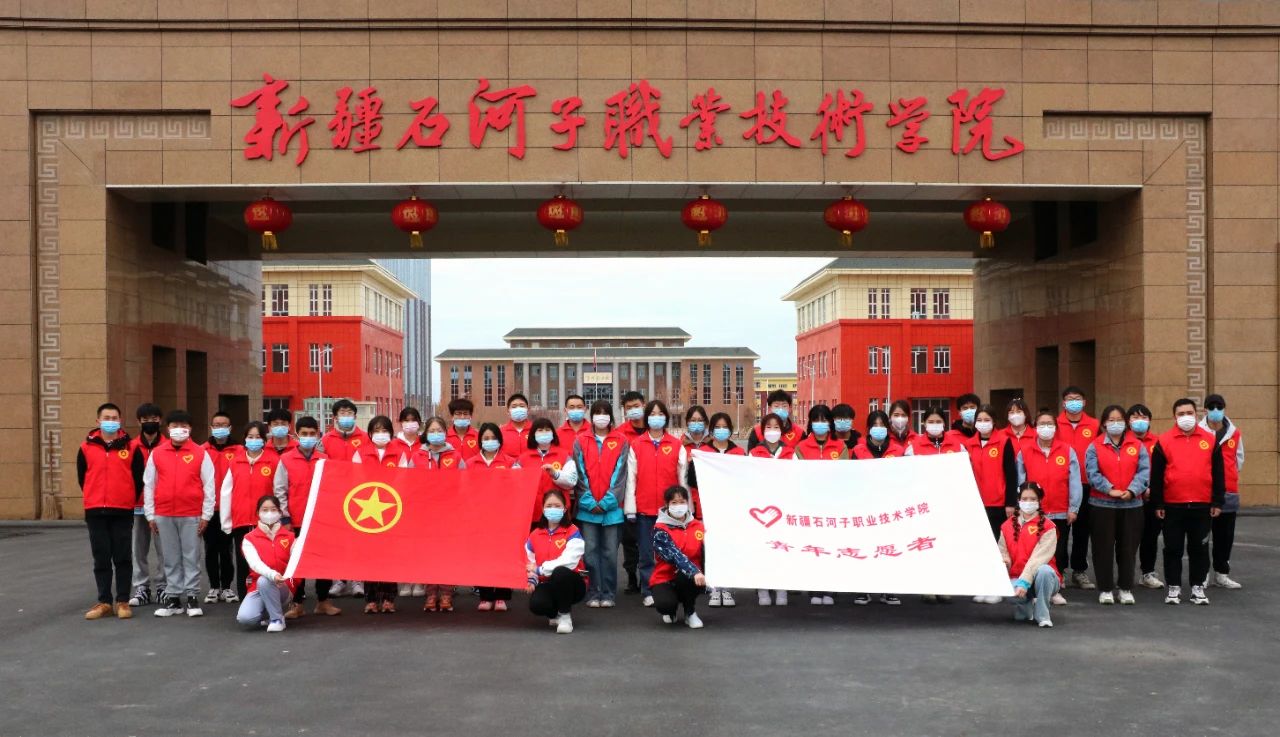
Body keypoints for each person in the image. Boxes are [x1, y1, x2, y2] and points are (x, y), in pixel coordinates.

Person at [1150, 398, 1224, 606]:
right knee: (1172, 548)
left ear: (1196, 414)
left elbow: (1218, 473)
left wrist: (1217, 501)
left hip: (1202, 505)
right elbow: (1157, 476)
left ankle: (1197, 587)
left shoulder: (1210, 440)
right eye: (1181, 414)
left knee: (1199, 548)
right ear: (1174, 417)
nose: (1186, 417)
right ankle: (1173, 587)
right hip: (1173, 505)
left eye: (1189, 413)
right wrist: (1158, 503)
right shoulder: (1164, 441)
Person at [143, 410, 216, 618]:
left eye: (183, 426)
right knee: (170, 557)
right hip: (164, 513)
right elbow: (149, 484)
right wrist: (150, 514)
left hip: (191, 513)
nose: (178, 429)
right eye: (174, 426)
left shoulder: (200, 453)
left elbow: (209, 485)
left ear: (190, 429)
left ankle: (192, 596)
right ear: (167, 428)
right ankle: (173, 598)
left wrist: (206, 515)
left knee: (191, 556)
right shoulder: (157, 453)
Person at [273, 416, 341, 619]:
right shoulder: (286, 460)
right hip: (295, 520)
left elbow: (332, 489)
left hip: (321, 520)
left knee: (323, 561)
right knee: (295, 562)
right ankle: (297, 603)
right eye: (304, 434)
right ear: (297, 434)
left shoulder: (325, 459)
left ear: (318, 435)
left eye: (312, 434)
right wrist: (285, 519)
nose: (308, 437)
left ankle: (323, 601)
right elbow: (279, 490)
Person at [624, 400, 688, 608]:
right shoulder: (637, 444)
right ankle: (648, 590)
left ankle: (669, 588)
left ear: (666, 418)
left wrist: (685, 508)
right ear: (647, 418)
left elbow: (683, 478)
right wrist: (631, 508)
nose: (656, 417)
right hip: (644, 509)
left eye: (660, 414)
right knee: (646, 553)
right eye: (652, 414)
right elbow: (631, 478)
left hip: (670, 512)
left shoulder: (676, 445)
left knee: (670, 552)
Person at [1084, 404, 1150, 606]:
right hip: (1102, 505)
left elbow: (1144, 472)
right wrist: (1109, 489)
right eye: (1111, 420)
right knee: (1102, 549)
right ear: (1104, 423)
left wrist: (1132, 490)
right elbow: (1092, 473)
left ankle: (1125, 588)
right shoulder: (1094, 446)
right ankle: (1105, 589)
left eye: (1119, 420)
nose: (1115, 424)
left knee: (1128, 549)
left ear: (1126, 423)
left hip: (1132, 505)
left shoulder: (1137, 445)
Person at [1016, 408, 1082, 606]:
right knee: (1033, 552)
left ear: (1055, 427)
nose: (1046, 428)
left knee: (1058, 552)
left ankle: (1055, 588)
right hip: (1034, 512)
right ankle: (1033, 588)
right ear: (1035, 427)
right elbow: (1019, 481)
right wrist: (1022, 506)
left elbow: (1075, 481)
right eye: (1042, 424)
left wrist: (1074, 507)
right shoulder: (1025, 451)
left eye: (1050, 424)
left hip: (1060, 511)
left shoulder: (1067, 450)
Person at [78, 402, 136, 620]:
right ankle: (104, 601)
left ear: (120, 421)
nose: (110, 421)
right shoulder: (86, 447)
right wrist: (94, 495)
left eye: (114, 418)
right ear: (98, 421)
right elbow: (82, 477)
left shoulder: (131, 447)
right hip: (95, 510)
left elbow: (138, 478)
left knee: (122, 557)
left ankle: (122, 601)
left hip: (122, 510)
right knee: (101, 557)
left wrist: (125, 496)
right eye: (106, 418)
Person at [573, 401, 627, 609]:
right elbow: (579, 474)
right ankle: (593, 592)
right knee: (590, 552)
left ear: (611, 416)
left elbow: (620, 475)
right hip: (588, 511)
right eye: (597, 412)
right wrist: (589, 502)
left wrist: (606, 502)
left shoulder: (621, 440)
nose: (601, 416)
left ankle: (608, 593)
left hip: (612, 510)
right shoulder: (581, 441)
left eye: (605, 413)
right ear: (591, 416)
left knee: (610, 553)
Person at [352, 415, 408, 613]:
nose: (381, 434)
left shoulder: (399, 453)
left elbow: (404, 479)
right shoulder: (360, 453)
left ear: (391, 433)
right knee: (370, 555)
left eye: (384, 430)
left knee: (389, 555)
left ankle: (388, 599)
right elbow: (355, 479)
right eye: (376, 430)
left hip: (392, 509)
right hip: (367, 511)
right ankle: (371, 600)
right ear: (369, 433)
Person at [409, 416, 466, 612]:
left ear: (445, 433)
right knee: (428, 554)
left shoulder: (455, 456)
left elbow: (464, 483)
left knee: (448, 554)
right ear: (426, 433)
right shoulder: (417, 457)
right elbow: (410, 484)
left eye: (439, 430)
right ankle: (431, 593)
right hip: (425, 515)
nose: (436, 434)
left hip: (450, 514)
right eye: (432, 431)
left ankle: (447, 593)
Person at [965, 405, 1017, 605]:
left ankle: (997, 586)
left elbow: (1011, 474)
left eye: (987, 419)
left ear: (994, 421)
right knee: (981, 546)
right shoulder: (969, 444)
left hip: (999, 504)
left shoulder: (1004, 441)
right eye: (979, 420)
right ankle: (983, 585)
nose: (983, 423)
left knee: (998, 547)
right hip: (977, 503)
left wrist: (1010, 502)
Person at [219, 421, 277, 601]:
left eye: (258, 437)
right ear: (244, 439)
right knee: (243, 562)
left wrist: (278, 519)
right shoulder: (235, 461)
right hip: (241, 521)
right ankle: (246, 599)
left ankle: (268, 598)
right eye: (250, 437)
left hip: (267, 522)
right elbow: (226, 492)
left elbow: (279, 491)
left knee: (266, 561)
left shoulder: (274, 461)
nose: (254, 440)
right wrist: (226, 521)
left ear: (264, 439)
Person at [792, 404, 844, 606]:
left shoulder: (840, 447)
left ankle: (830, 588)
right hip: (810, 506)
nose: (820, 424)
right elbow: (796, 478)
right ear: (810, 423)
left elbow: (846, 477)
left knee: (831, 548)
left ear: (830, 423)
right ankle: (814, 588)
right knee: (813, 548)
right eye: (816, 420)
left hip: (833, 506)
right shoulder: (801, 447)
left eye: (824, 420)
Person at [850, 410, 900, 606]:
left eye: (882, 425)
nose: (878, 429)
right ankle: (864, 589)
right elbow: (852, 478)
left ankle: (889, 590)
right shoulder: (858, 450)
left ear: (888, 428)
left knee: (889, 548)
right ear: (868, 429)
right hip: (865, 507)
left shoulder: (898, 451)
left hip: (890, 508)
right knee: (865, 548)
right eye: (874, 425)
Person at [470, 422, 521, 611]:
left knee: (503, 555)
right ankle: (485, 596)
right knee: (482, 555)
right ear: (480, 441)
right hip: (480, 518)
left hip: (504, 518)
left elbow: (519, 486)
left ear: (500, 440)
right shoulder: (471, 463)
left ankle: (501, 596)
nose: (490, 441)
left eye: (493, 438)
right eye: (486, 438)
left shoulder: (510, 462)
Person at [999, 482, 1061, 628]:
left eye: (1033, 499)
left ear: (1039, 500)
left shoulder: (1048, 527)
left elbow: (1039, 559)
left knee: (1045, 571)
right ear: (1018, 500)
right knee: (1006, 590)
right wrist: (1005, 563)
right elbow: (1003, 551)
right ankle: (1025, 606)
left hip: (1042, 579)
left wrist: (1025, 581)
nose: (1028, 502)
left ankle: (1042, 614)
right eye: (1024, 499)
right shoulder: (1006, 526)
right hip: (1017, 577)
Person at [525, 489, 587, 634]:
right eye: (549, 506)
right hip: (547, 582)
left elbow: (569, 562)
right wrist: (532, 579)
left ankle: (565, 616)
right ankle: (555, 614)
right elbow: (529, 562)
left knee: (560, 572)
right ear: (543, 509)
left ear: (565, 509)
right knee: (537, 605)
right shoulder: (534, 535)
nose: (553, 509)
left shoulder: (573, 531)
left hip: (573, 583)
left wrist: (540, 569)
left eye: (557, 506)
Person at [700, 412, 744, 609]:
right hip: (709, 507)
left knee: (729, 547)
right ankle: (714, 588)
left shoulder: (739, 453)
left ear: (730, 430)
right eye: (717, 427)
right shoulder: (703, 452)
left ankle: (727, 588)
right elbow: (693, 480)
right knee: (711, 548)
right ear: (711, 430)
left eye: (724, 426)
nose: (721, 430)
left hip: (732, 508)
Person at [1057, 386, 1099, 591]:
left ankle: (1079, 570)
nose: (1073, 402)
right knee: (1061, 531)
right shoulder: (1055, 424)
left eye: (1077, 398)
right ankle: (1060, 570)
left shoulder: (1095, 425)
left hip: (1087, 484)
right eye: (1069, 399)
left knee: (1082, 531)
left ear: (1084, 402)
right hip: (1062, 485)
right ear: (1064, 403)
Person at [1200, 393, 1244, 589]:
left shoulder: (1234, 433)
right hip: (1203, 491)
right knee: (1201, 536)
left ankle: (1221, 573)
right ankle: (1202, 574)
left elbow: (1239, 459)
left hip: (1228, 491)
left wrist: (1229, 475)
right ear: (1205, 410)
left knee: (1225, 536)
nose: (1215, 410)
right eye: (1211, 407)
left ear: (1225, 408)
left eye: (1219, 407)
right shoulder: (1198, 431)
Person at [234, 495, 295, 633]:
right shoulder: (249, 539)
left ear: (280, 512)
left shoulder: (290, 537)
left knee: (265, 581)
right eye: (265, 510)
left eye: (273, 509)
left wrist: (287, 580)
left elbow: (295, 563)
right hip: (258, 585)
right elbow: (255, 564)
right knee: (245, 618)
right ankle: (271, 611)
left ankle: (277, 619)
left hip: (284, 586)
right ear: (258, 513)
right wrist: (273, 575)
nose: (269, 513)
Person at [749, 412, 791, 606]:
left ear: (782, 430)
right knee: (762, 549)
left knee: (782, 548)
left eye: (776, 427)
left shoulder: (790, 453)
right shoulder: (754, 453)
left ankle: (782, 588)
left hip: (784, 509)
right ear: (762, 430)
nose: (772, 431)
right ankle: (763, 588)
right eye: (768, 427)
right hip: (761, 508)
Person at [650, 486, 707, 629]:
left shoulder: (698, 526)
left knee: (685, 576)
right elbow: (674, 555)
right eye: (674, 503)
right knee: (665, 605)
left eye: (682, 502)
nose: (678, 506)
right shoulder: (660, 529)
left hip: (691, 579)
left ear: (687, 503)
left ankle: (690, 612)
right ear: (667, 504)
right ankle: (671, 610)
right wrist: (694, 571)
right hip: (665, 577)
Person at [127, 402, 165, 607]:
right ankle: (141, 587)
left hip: (162, 507)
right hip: (137, 505)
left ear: (160, 421)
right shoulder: (131, 446)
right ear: (139, 422)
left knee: (164, 549)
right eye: (145, 420)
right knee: (138, 549)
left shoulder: (168, 446)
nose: (150, 422)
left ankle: (163, 587)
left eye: (154, 419)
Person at [201, 411, 239, 605]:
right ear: (211, 427)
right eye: (216, 425)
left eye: (224, 425)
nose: (220, 428)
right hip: (209, 509)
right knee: (210, 548)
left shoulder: (239, 450)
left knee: (226, 549)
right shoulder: (202, 450)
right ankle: (214, 587)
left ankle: (227, 587)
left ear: (230, 427)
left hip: (229, 509)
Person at [1129, 404, 1165, 589]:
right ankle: (1125, 575)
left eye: (1143, 417)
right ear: (1128, 421)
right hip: (1129, 498)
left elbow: (1163, 470)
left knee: (1150, 537)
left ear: (1150, 421)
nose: (1139, 421)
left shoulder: (1158, 442)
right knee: (1127, 539)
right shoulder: (1124, 441)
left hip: (1152, 499)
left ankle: (1147, 573)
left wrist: (1154, 490)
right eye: (1135, 417)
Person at [519, 418, 579, 522]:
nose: (544, 433)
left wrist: (556, 474)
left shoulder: (564, 456)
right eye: (540, 430)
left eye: (547, 430)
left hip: (558, 512)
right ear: (533, 434)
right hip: (532, 513)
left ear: (553, 433)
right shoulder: (522, 459)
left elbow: (572, 481)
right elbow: (515, 483)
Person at [617, 390, 647, 594]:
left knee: (649, 539)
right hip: (628, 495)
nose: (633, 410)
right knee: (629, 540)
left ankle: (649, 577)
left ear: (643, 405)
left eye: (636, 406)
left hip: (649, 492)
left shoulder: (654, 429)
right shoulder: (620, 434)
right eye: (629, 408)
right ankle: (631, 577)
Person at [321, 398, 369, 463]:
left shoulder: (366, 438)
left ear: (355, 417)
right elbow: (321, 463)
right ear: (335, 417)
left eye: (350, 412)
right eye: (342, 413)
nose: (346, 415)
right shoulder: (326, 439)